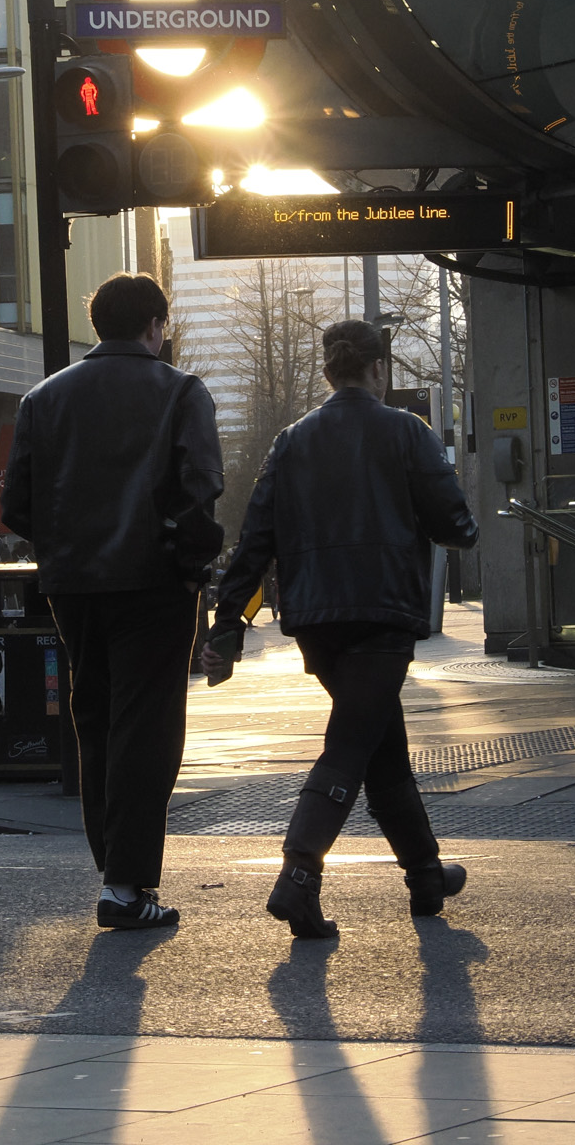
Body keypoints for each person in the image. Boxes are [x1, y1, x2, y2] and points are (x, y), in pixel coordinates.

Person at [206, 320, 479, 939]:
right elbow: (455, 524)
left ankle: (426, 874)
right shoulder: (407, 431)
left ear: (328, 373)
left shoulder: (292, 439)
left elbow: (255, 541)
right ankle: (298, 875)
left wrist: (227, 625)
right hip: (382, 613)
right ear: (380, 370)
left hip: (316, 621)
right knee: (353, 745)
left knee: (382, 747)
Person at [2, 272, 223, 930]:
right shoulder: (181, 392)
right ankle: (127, 884)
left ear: (97, 324)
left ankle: (114, 872)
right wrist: (189, 568)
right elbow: (199, 491)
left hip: (74, 584)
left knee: (93, 718)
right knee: (146, 728)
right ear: (155, 325)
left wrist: (66, 543)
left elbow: (17, 503)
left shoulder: (44, 398)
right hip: (154, 583)